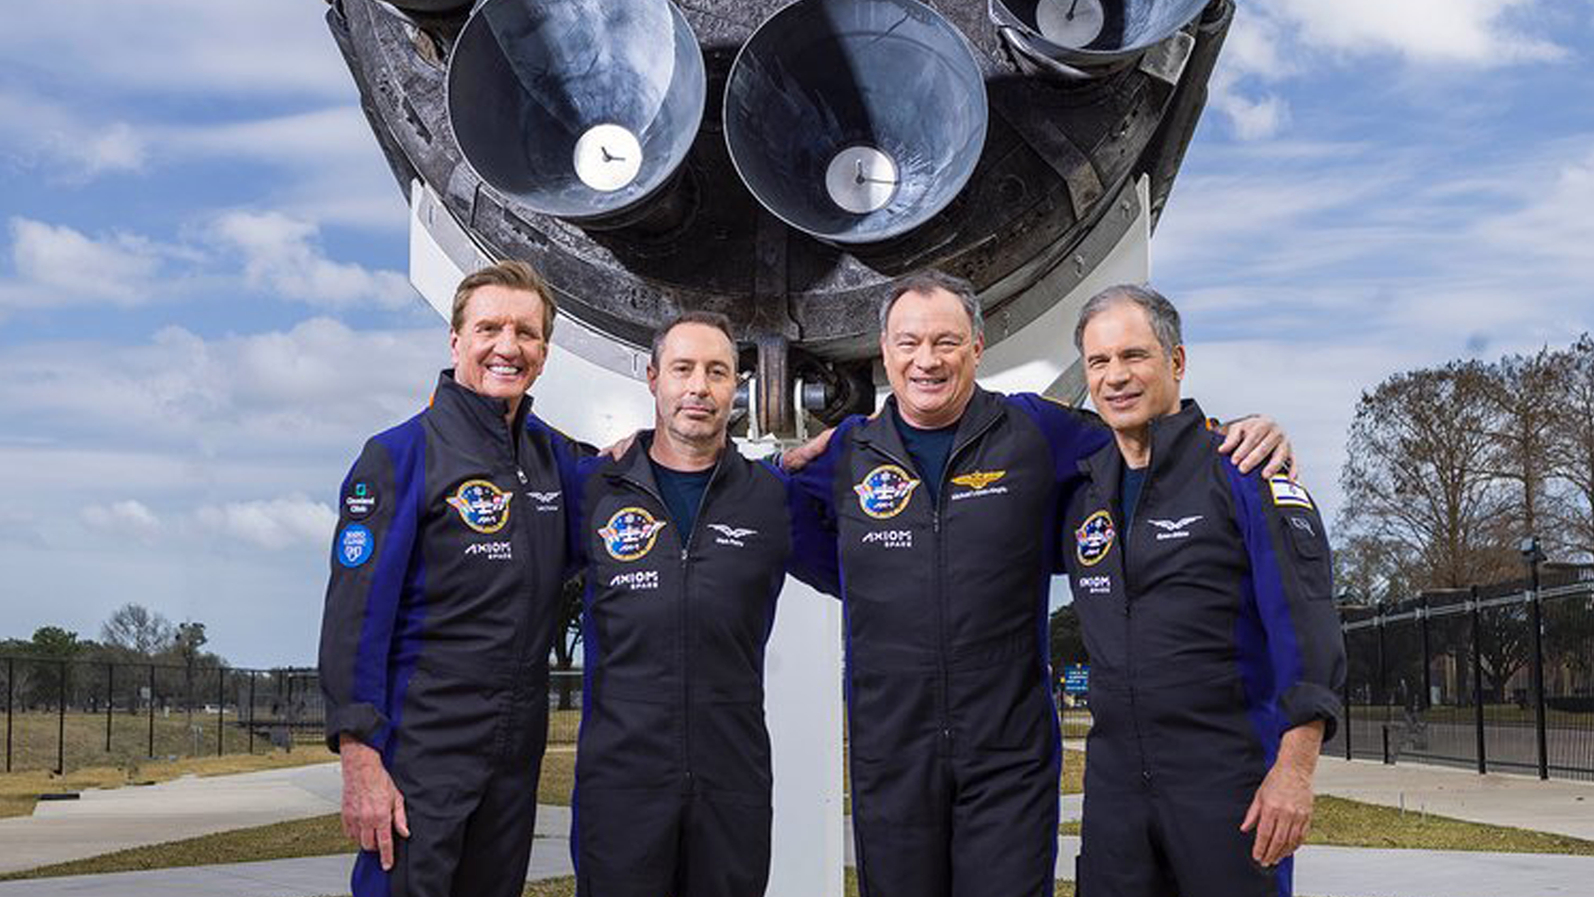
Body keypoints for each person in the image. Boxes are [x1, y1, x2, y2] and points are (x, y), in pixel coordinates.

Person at [783, 270, 1293, 897]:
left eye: (946, 342)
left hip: (1008, 756)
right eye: (908, 343)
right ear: (883, 351)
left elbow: (1140, 430)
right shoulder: (847, 456)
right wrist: (639, 451)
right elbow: (738, 499)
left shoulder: (1036, 431)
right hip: (892, 755)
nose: (926, 361)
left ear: (976, 346)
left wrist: (1238, 430)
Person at [1061, 284, 1345, 897]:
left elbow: (1308, 625)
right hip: (1115, 797)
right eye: (1099, 362)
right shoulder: (1081, 495)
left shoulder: (1246, 472)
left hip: (1228, 785)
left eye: (1134, 356)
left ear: (1178, 362)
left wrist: (1294, 773)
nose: (1116, 377)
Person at [318, 260, 584, 897]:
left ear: (545, 353)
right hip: (422, 749)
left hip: (516, 753)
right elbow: (354, 620)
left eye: (526, 332)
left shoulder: (558, 460)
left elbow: (640, 490)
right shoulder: (400, 455)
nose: (508, 346)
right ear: (456, 340)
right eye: (489, 327)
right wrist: (360, 757)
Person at [562, 311, 836, 897]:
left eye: (717, 372)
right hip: (620, 787)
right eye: (683, 369)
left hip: (730, 784)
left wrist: (860, 441)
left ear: (735, 386)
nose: (698, 387)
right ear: (653, 377)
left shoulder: (771, 498)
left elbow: (870, 576)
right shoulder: (595, 490)